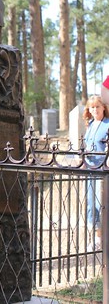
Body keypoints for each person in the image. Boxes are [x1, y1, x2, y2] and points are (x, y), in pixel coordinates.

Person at [82, 95, 109, 250]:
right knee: (92, 204)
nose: (94, 110)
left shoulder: (107, 125)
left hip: (103, 170)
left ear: (103, 108)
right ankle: (97, 236)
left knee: (102, 204)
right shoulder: (91, 124)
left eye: (97, 106)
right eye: (92, 107)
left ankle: (100, 237)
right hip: (90, 170)